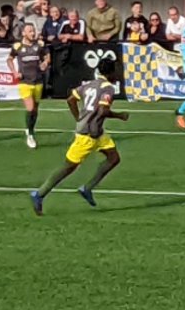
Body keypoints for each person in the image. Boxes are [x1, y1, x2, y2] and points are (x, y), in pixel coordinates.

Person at [29, 57, 130, 216]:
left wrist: (79, 118)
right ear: (110, 72)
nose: (118, 74)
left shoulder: (89, 85)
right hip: (88, 135)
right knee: (69, 167)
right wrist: (119, 115)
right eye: (116, 71)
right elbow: (103, 111)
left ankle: (87, 188)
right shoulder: (108, 88)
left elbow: (71, 100)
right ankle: (39, 194)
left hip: (97, 132)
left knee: (114, 158)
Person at [8, 23, 51, 149]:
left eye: (33, 31)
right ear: (23, 33)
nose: (33, 33)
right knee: (30, 108)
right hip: (24, 82)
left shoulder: (40, 45)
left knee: (35, 109)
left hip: (38, 81)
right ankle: (30, 135)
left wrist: (45, 62)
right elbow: (9, 59)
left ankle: (30, 127)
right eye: (30, 31)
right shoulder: (17, 46)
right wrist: (14, 72)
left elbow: (47, 56)